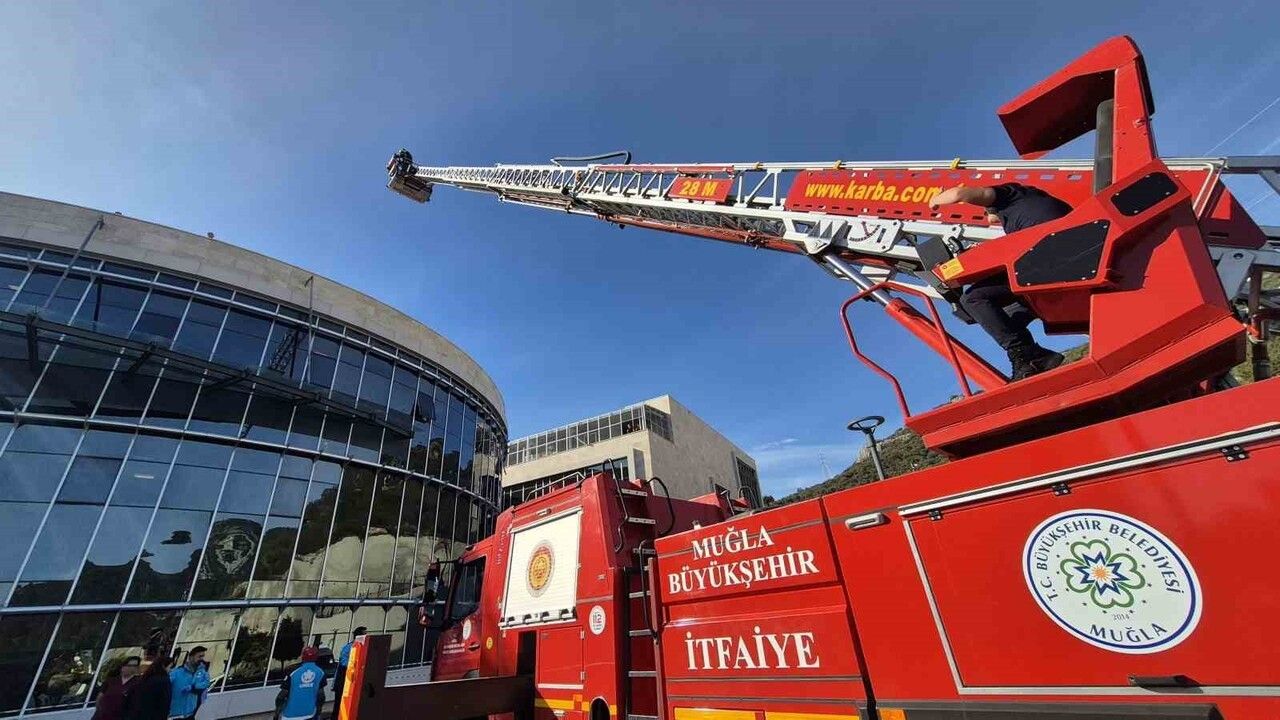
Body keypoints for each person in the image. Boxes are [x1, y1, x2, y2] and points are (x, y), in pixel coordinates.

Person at [929, 183, 1072, 380]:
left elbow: (961, 193)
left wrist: (935, 200)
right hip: (1056, 265)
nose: (987, 215)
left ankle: (1028, 354)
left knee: (973, 299)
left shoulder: (1011, 194)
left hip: (1048, 265)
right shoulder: (1024, 216)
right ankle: (1032, 356)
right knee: (1008, 316)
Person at [276, 647, 327, 720]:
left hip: (290, 715)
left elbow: (281, 696)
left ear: (303, 657)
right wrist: (318, 712)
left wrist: (277, 712)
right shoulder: (320, 672)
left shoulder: (293, 672)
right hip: (309, 713)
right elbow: (321, 696)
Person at [123, 654, 172, 720]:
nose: (170, 670)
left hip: (136, 714)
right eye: (170, 667)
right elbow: (164, 704)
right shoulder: (164, 680)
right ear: (164, 666)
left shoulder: (145, 678)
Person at [167, 647, 210, 720]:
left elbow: (205, 684)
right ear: (190, 657)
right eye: (199, 656)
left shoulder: (202, 673)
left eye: (203, 656)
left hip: (190, 714)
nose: (201, 659)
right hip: (175, 715)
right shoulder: (176, 672)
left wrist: (193, 687)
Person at [92, 656, 141, 720]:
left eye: (134, 666)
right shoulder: (111, 681)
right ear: (122, 666)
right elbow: (100, 698)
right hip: (102, 716)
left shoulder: (138, 682)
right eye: (128, 665)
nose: (131, 668)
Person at [331, 627, 365, 712]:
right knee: (338, 706)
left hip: (352, 682)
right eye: (364, 634)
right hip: (343, 681)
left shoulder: (362, 647)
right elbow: (343, 662)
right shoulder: (349, 647)